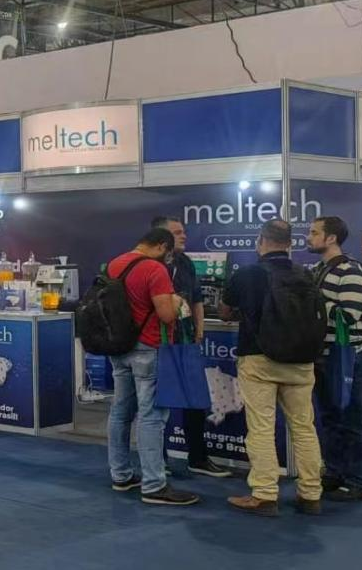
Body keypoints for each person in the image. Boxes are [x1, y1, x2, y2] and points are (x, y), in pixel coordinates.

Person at [221, 219, 324, 516]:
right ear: (290, 243)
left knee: (261, 428)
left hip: (259, 359)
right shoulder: (305, 274)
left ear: (260, 240)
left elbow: (225, 312)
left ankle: (265, 495)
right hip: (301, 361)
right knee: (304, 428)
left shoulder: (248, 274)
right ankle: (310, 494)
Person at [104, 227, 199, 507]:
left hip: (119, 346)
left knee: (120, 412)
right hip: (148, 347)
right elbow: (166, 315)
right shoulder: (154, 270)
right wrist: (177, 301)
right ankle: (154, 485)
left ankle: (121, 474)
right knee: (152, 417)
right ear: (161, 246)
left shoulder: (115, 263)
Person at [151, 216, 230, 479]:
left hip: (185, 339)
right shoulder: (151, 265)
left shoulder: (185, 262)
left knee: (195, 400)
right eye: (177, 232)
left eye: (183, 231)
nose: (184, 236)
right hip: (159, 341)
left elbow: (196, 298)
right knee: (156, 405)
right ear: (162, 237)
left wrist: (199, 330)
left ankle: (198, 458)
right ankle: (157, 461)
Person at [307, 216, 362, 502]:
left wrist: (313, 302)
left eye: (314, 232)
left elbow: (349, 315)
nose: (309, 237)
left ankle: (358, 480)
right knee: (330, 418)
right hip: (323, 355)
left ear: (331, 238)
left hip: (350, 356)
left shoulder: (352, 271)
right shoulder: (316, 270)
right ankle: (334, 472)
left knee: (355, 418)